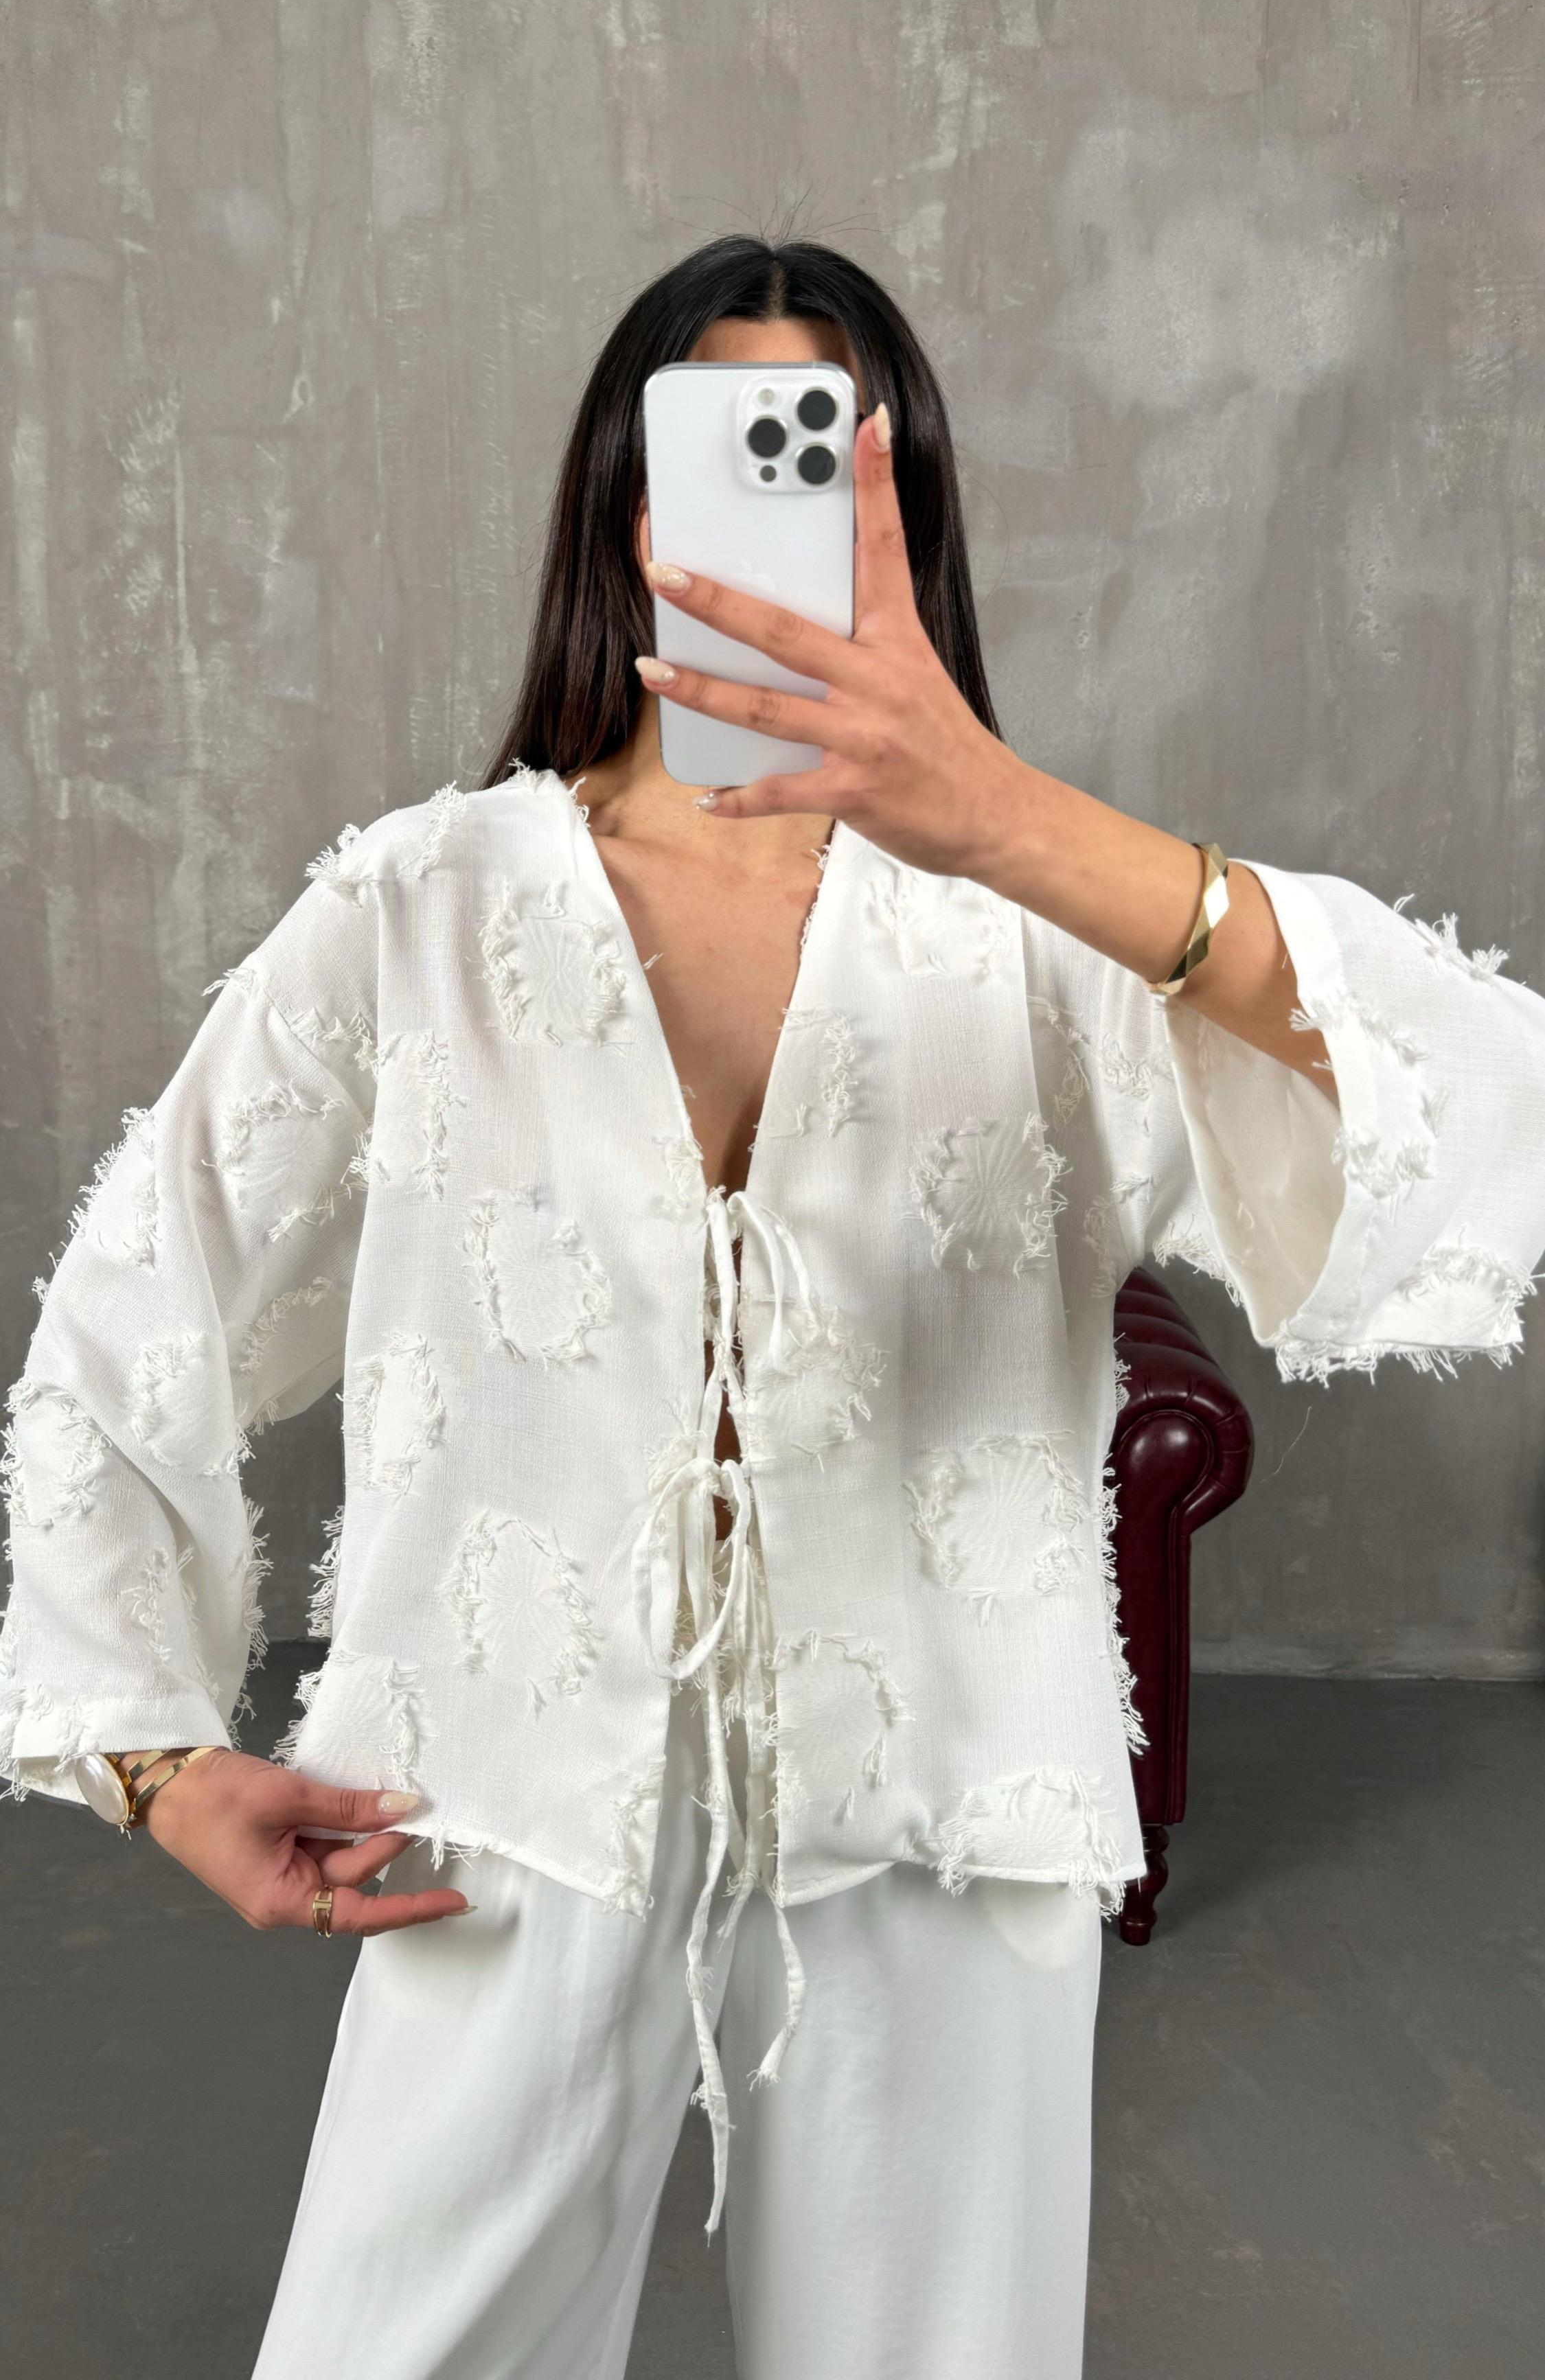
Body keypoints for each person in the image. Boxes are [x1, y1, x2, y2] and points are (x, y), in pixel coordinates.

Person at [4, 235, 1544, 2380]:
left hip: (947, 1803)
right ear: (620, 507)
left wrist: (1002, 819)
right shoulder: (419, 907)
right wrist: (153, 1761)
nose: (760, 508)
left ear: (907, 517)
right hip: (501, 1797)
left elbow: (1479, 1106)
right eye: (713, 447)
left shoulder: (1033, 919)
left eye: (819, 456)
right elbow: (122, 1324)